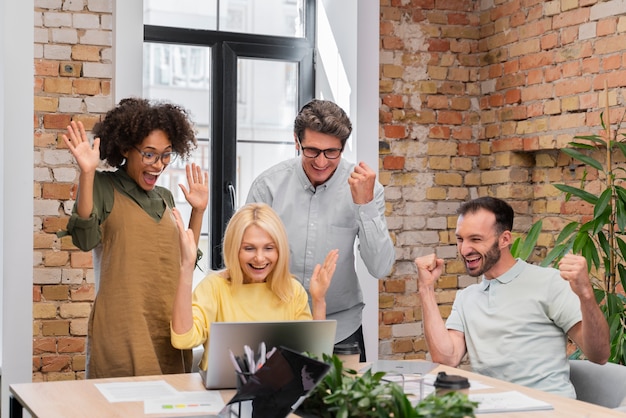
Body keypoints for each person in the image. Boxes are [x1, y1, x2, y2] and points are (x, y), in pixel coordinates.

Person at [62, 97, 208, 378]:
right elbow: (84, 238)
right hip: (123, 331)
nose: (158, 165)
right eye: (149, 154)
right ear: (127, 148)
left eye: (166, 155)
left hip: (168, 329)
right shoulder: (104, 187)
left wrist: (198, 211)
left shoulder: (165, 198)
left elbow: (183, 256)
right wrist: (87, 173)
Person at [414, 196, 610, 398]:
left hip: (549, 409)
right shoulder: (466, 298)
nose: (464, 249)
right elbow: (447, 359)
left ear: (504, 239)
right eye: (460, 239)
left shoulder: (549, 283)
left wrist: (586, 294)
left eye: (476, 239)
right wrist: (426, 288)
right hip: (492, 409)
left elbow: (599, 354)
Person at [246, 99, 394, 361]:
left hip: (340, 329)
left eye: (332, 152)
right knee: (275, 403)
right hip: (277, 324)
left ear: (343, 147)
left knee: (342, 404)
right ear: (297, 141)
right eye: (312, 151)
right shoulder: (268, 186)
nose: (322, 162)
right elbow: (244, 259)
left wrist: (365, 205)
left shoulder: (367, 189)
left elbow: (380, 268)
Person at [170, 202, 339, 370]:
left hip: (278, 392)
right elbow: (183, 339)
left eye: (268, 248)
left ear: (279, 250)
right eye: (249, 248)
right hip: (220, 394)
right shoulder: (214, 287)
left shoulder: (292, 290)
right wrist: (187, 267)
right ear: (234, 249)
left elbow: (312, 360)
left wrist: (318, 300)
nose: (259, 258)